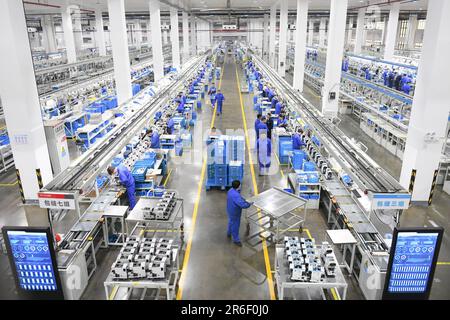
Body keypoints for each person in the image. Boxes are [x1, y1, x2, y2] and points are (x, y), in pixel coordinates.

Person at [226, 180, 253, 246]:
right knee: (235, 225)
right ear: (238, 186)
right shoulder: (236, 196)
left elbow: (238, 198)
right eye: (240, 185)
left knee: (231, 221)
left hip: (230, 209)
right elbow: (243, 205)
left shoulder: (230, 190)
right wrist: (249, 203)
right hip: (235, 212)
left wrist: (243, 199)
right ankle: (236, 240)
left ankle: (229, 233)